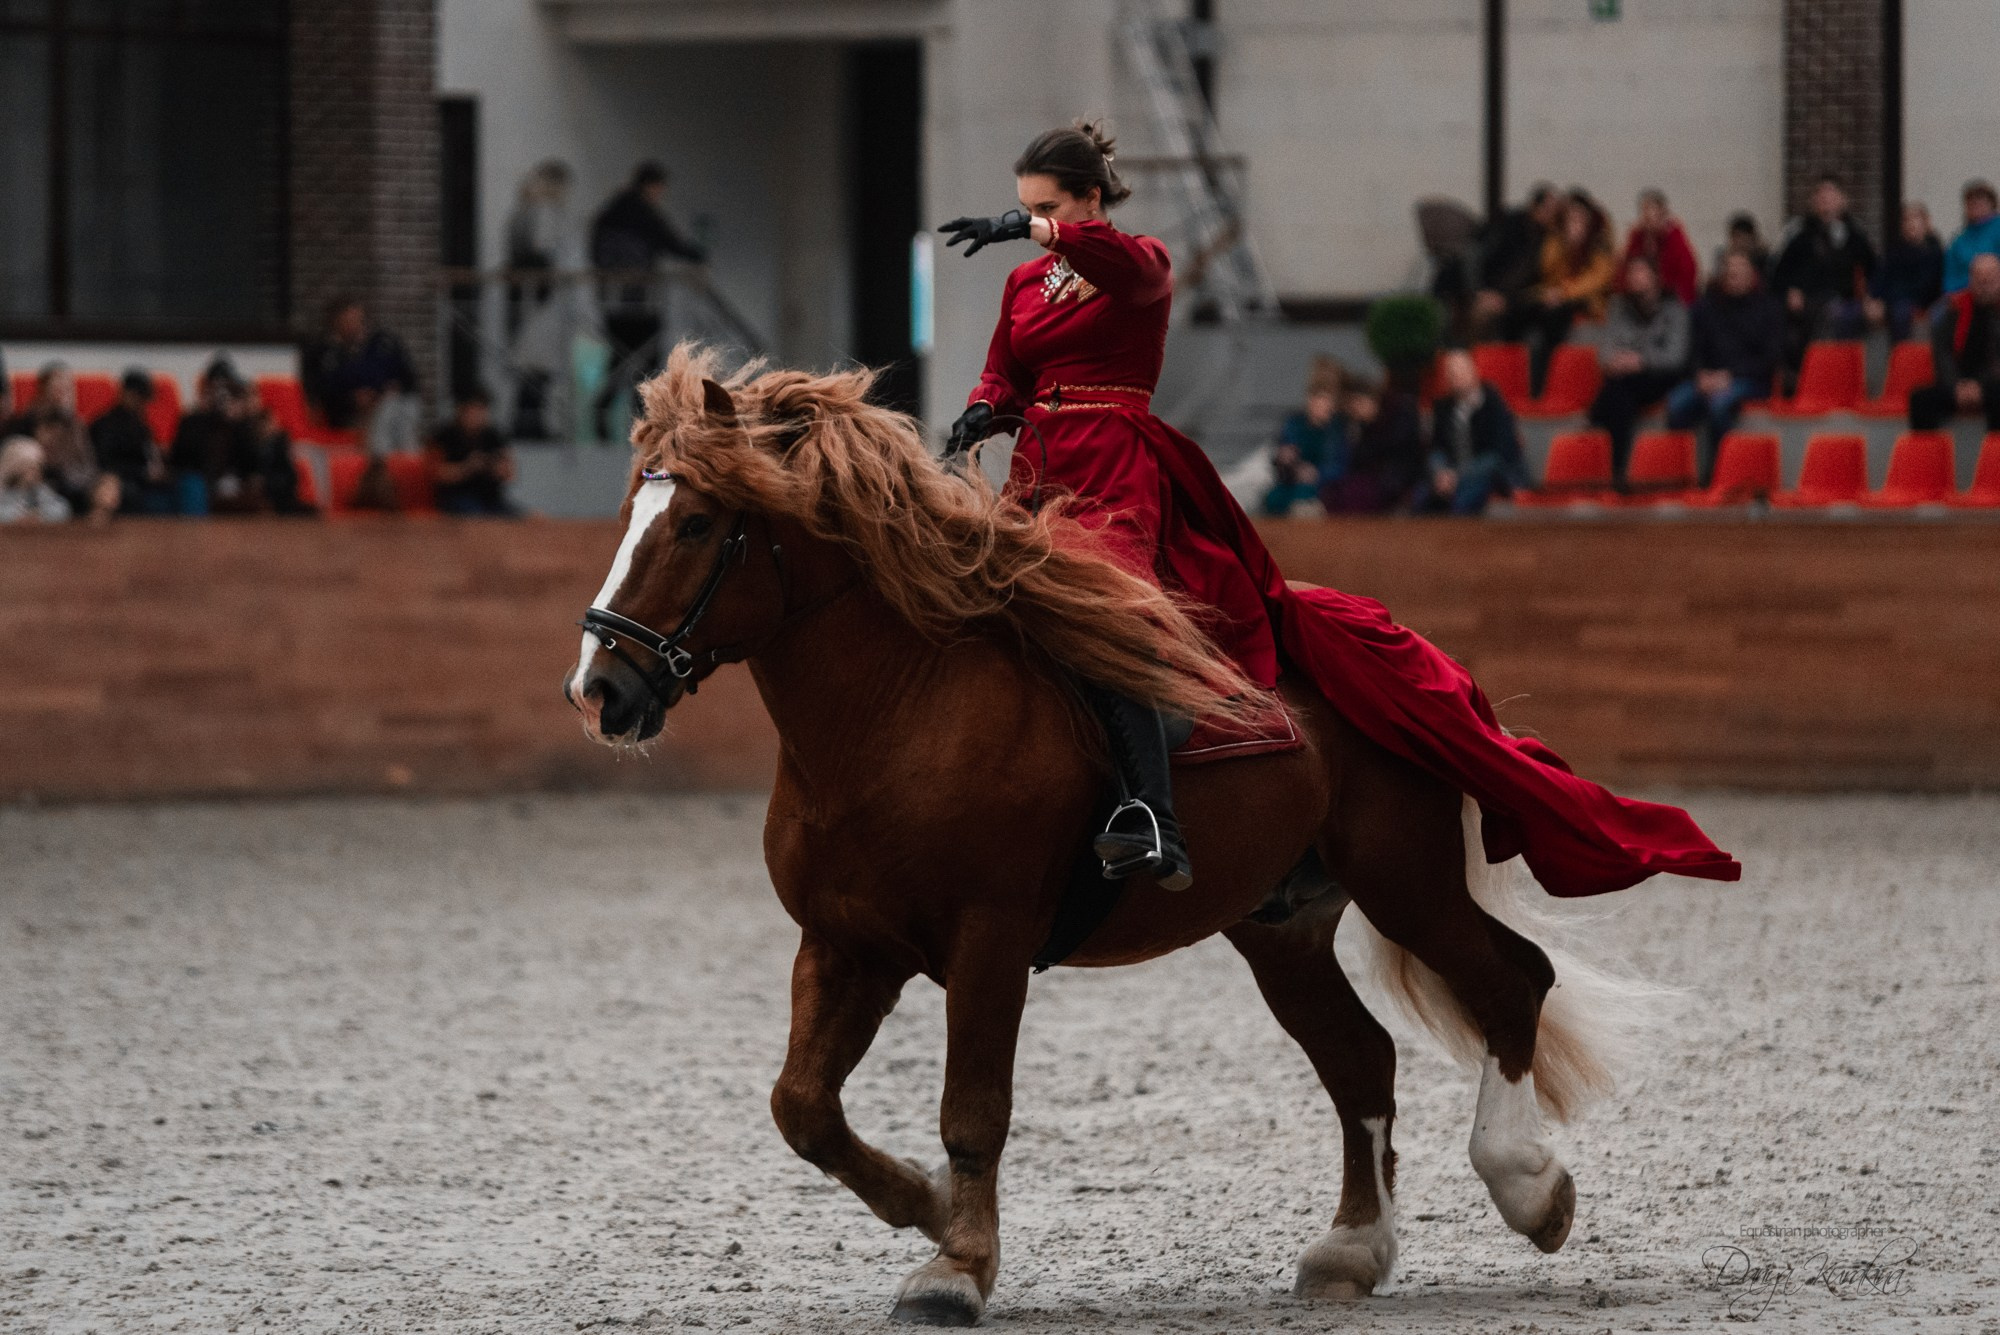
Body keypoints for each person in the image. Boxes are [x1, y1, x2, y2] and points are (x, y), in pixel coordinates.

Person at [938, 120, 1736, 896]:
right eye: (1027, 206)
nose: (1034, 221)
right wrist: (985, 407)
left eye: (1048, 205)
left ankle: (1153, 815)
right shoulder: (1025, 283)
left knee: (1106, 619)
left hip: (1115, 471)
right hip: (1037, 472)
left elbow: (1126, 273)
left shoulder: (1141, 262)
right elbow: (1003, 368)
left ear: (1089, 200)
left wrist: (1040, 231)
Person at [591, 161, 706, 441]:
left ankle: (605, 411)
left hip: (613, 301)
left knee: (620, 358)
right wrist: (698, 255)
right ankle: (640, 423)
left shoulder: (611, 212)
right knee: (646, 363)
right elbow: (669, 241)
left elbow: (597, 248)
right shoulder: (643, 212)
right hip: (640, 300)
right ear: (652, 186)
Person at [1666, 252, 1785, 482]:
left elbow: (1771, 359)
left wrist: (1729, 376)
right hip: (1709, 378)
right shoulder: (1706, 307)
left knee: (1719, 405)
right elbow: (1693, 350)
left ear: (1753, 275)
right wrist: (1700, 375)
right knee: (1676, 405)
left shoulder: (1769, 308)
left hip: (1751, 379)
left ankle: (1716, 475)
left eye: (1741, 269)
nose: (1734, 275)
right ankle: (1679, 475)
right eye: (1730, 270)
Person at [1587, 255, 1692, 487]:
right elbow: (1605, 349)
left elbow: (1676, 357)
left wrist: (1641, 361)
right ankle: (1616, 472)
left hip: (1659, 376)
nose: (1634, 278)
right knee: (1619, 392)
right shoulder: (1618, 306)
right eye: (1631, 273)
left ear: (1655, 278)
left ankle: (1613, 466)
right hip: (1624, 377)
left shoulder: (1675, 309)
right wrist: (1616, 362)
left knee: (1613, 396)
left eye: (1640, 272)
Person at [1770, 175, 1877, 387]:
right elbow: (1778, 273)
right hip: (1805, 300)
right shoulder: (1799, 234)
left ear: (1843, 200)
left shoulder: (1855, 234)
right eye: (1821, 196)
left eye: (1831, 195)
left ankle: (1819, 380)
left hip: (1839, 300)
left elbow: (1873, 269)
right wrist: (1791, 290)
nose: (1826, 201)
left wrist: (1871, 298)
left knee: (1832, 315)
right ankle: (1794, 377)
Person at [1511, 189, 1616, 395]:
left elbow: (1597, 280)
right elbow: (1547, 269)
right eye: (1571, 217)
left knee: (1553, 316)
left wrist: (1563, 293)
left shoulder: (1600, 242)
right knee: (1520, 307)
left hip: (1585, 301)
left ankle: (1540, 387)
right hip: (1555, 295)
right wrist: (1566, 246)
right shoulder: (1556, 238)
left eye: (1580, 217)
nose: (1575, 222)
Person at [301, 298, 421, 453]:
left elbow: (408, 379)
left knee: (398, 405)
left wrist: (385, 391)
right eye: (347, 320)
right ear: (337, 322)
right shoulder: (326, 352)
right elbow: (324, 388)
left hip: (387, 403)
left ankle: (402, 460)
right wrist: (353, 399)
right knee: (387, 415)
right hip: (347, 412)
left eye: (357, 319)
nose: (353, 325)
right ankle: (383, 459)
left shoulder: (383, 344)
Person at [4, 363, 117, 522]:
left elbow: (88, 462)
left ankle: (94, 540)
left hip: (75, 481)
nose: (64, 394)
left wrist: (97, 483)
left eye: (67, 388)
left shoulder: (76, 424)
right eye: (58, 387)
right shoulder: (26, 421)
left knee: (107, 487)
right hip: (43, 483)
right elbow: (19, 462)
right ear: (43, 390)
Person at [1424, 348, 1530, 515]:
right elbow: (1436, 447)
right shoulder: (1443, 407)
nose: (1455, 376)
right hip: (1451, 476)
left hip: (1492, 476)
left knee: (1465, 497)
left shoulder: (1492, 403)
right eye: (1451, 372)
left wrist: (1457, 476)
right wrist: (1440, 472)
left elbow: (1499, 454)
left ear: (1474, 371)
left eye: (1460, 370)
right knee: (1421, 497)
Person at [1909, 252, 2000, 431]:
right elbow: (1942, 352)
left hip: (1993, 383)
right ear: (1971, 279)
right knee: (1920, 400)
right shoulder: (1954, 308)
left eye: (1990, 281)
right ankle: (1931, 457)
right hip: (1957, 383)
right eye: (1979, 280)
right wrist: (1956, 386)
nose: (1984, 287)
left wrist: (1980, 386)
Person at [1469, 183, 1565, 340]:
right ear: (1534, 206)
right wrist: (1480, 289)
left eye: (1555, 213)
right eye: (1547, 210)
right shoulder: (1508, 224)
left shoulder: (1549, 240)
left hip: (1520, 299)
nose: (1551, 217)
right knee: (1482, 314)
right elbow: (1476, 255)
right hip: (1488, 289)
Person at [1261, 357, 1346, 517]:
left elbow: (1339, 464)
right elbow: (1282, 455)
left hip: (1321, 486)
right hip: (1291, 481)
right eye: (1318, 401)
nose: (1323, 407)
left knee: (1305, 500)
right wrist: (1284, 458)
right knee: (1273, 498)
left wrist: (1317, 473)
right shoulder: (1295, 424)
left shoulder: (1336, 429)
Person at [90, 369, 177, 515]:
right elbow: (106, 464)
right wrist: (143, 473)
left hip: (147, 482)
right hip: (123, 482)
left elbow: (149, 453)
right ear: (126, 394)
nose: (142, 404)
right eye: (139, 398)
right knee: (130, 493)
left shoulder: (141, 424)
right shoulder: (105, 425)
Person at [428, 388, 520, 516]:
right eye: (473, 410)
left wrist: (496, 469)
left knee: (528, 519)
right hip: (458, 498)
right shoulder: (445, 436)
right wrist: (467, 468)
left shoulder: (494, 436)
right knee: (476, 517)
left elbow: (510, 473)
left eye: (481, 410)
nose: (477, 415)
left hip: (491, 499)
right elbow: (436, 474)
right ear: (461, 410)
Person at [1866, 202, 1945, 342]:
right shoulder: (1894, 250)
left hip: (1915, 302)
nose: (1910, 224)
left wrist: (1886, 299)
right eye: (1906, 219)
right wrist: (1872, 299)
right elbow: (1880, 277)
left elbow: (1925, 287)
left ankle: (1900, 359)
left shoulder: (1934, 252)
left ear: (1926, 223)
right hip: (1893, 299)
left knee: (1900, 312)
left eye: (1915, 218)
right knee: (1851, 313)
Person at [1620, 188, 1699, 305]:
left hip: (1670, 302)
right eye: (1644, 213)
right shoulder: (1636, 238)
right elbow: (1623, 272)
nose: (1649, 218)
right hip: (1637, 301)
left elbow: (1686, 279)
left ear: (1663, 214)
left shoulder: (1676, 240)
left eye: (1653, 213)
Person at [1943, 179, 2000, 295]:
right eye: (1971, 203)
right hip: (1965, 296)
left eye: (1980, 201)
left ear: (1991, 204)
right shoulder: (1959, 241)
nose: (1976, 206)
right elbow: (1950, 278)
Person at [0, 437, 71, 523]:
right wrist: (19, 516)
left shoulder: (41, 490)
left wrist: (39, 515)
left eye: (37, 467)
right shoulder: (4, 489)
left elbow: (63, 510)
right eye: (30, 467)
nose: (35, 472)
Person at [1712, 211, 1771, 277]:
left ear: (1752, 239)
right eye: (1736, 238)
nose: (1740, 243)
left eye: (1743, 239)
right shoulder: (1723, 256)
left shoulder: (1761, 258)